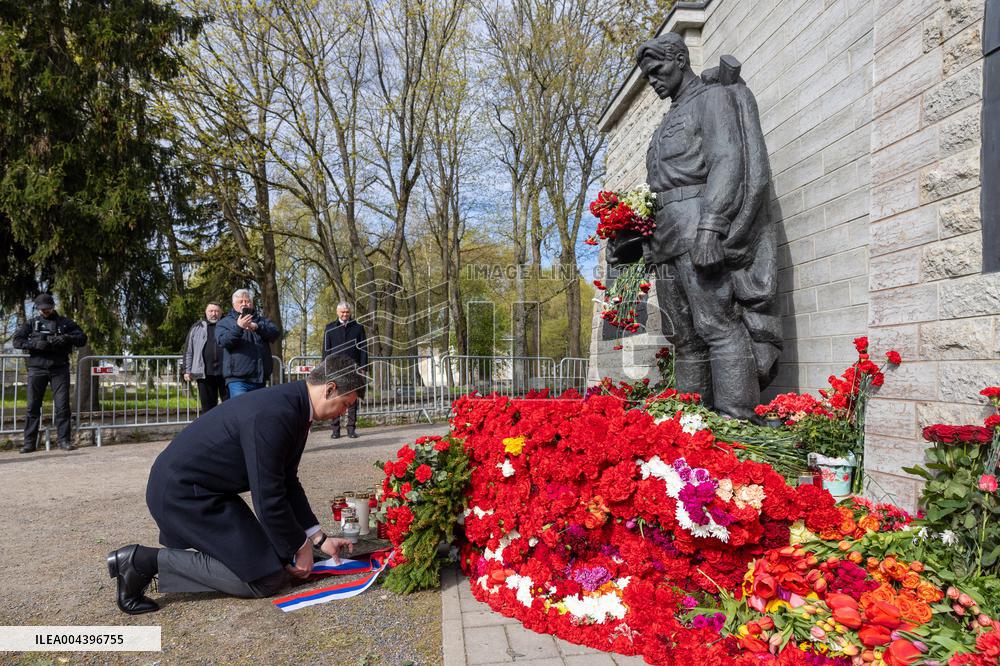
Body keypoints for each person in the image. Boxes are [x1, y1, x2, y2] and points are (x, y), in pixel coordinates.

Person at [105, 354, 366, 615]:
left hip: (207, 490)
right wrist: (301, 546)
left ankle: (227, 558)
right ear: (330, 388)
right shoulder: (278, 413)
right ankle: (141, 562)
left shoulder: (293, 406)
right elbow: (267, 496)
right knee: (267, 579)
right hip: (183, 494)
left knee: (277, 558)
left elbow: (287, 480)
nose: (344, 413)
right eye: (345, 404)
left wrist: (318, 539)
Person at [607, 33, 781, 421]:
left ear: (680, 60)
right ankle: (693, 422)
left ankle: (738, 419)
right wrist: (631, 234)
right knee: (682, 336)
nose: (653, 80)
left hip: (697, 228)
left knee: (716, 323)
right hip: (666, 238)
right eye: (648, 74)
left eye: (658, 70)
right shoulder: (667, 120)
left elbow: (727, 162)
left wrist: (711, 228)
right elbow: (661, 189)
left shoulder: (712, 99)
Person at [12, 294, 87, 453]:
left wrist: (67, 338)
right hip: (37, 369)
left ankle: (64, 441)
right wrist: (35, 344)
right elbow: (17, 341)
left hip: (59, 368)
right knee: (33, 406)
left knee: (62, 406)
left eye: (48, 308)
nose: (45, 311)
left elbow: (82, 338)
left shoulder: (65, 323)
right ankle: (29, 443)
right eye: (42, 309)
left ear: (53, 306)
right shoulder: (32, 324)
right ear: (38, 309)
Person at [216, 289, 281, 398]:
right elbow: (224, 342)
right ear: (234, 304)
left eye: (247, 301)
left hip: (259, 377)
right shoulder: (225, 322)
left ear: (252, 304)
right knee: (241, 412)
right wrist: (239, 327)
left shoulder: (261, 320)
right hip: (237, 379)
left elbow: (275, 333)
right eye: (241, 301)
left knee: (257, 412)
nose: (244, 304)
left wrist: (257, 327)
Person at [322, 302, 368, 439]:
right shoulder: (329, 328)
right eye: (342, 312)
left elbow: (363, 349)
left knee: (352, 399)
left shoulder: (358, 328)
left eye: (347, 312)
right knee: (335, 398)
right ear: (337, 312)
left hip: (353, 368)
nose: (345, 314)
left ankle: (351, 429)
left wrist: (363, 368)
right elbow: (325, 350)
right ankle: (335, 430)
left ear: (350, 312)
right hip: (335, 368)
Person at [181, 302, 227, 412]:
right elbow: (188, 350)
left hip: (226, 373)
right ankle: (210, 429)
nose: (214, 314)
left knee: (229, 406)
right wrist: (186, 370)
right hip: (205, 375)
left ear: (221, 313)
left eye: (216, 311)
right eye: (211, 311)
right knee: (208, 409)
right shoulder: (197, 327)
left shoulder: (227, 325)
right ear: (206, 312)